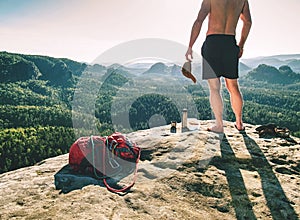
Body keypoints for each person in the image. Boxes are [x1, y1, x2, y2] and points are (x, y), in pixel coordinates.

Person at [185, 0, 252, 133]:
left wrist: (190, 46)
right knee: (233, 86)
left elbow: (199, 21)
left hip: (213, 43)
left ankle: (219, 125)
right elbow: (248, 22)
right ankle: (239, 122)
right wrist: (241, 45)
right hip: (230, 43)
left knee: (215, 88)